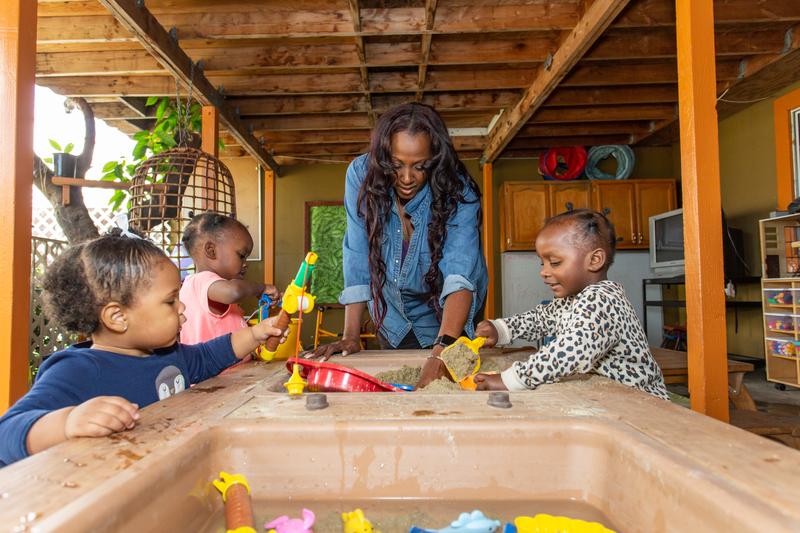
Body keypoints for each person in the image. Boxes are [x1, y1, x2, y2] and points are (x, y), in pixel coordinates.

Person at [0, 231, 287, 466]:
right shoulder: (78, 369)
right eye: (170, 301)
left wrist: (256, 333)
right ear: (117, 317)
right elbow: (6, 431)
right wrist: (67, 422)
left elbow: (209, 355)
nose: (182, 307)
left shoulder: (169, 355)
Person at [312, 102, 487, 360]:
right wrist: (350, 336)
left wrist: (442, 351)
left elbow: (459, 275)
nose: (406, 178)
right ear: (383, 157)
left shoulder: (459, 191)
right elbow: (357, 255)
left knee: (449, 375)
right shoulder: (361, 176)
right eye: (396, 165)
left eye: (420, 166)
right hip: (393, 315)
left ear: (435, 161)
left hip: (448, 315)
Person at [472, 209, 669, 399]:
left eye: (555, 262)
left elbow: (568, 353)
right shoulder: (571, 299)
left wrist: (510, 380)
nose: (544, 272)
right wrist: (501, 329)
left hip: (642, 402)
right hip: (610, 396)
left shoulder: (602, 300)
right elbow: (539, 319)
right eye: (542, 263)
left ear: (595, 260)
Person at [180, 213, 280, 346]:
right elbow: (234, 292)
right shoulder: (201, 281)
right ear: (211, 250)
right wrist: (261, 288)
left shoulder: (209, 286)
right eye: (241, 255)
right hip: (218, 361)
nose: (245, 264)